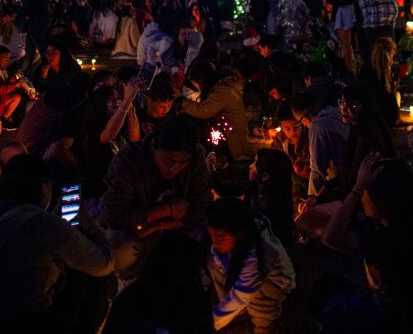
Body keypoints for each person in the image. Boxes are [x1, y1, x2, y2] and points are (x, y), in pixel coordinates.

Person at [319, 153, 413, 333]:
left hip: (401, 320)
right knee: (329, 284)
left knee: (326, 297)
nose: (362, 198)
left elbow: (330, 237)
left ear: (382, 197)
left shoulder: (390, 239)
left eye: (366, 192)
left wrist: (357, 186)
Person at [0, 155, 114, 334]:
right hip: (32, 323)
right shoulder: (43, 224)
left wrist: (55, 220)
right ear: (43, 186)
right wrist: (87, 221)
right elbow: (104, 262)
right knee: (94, 275)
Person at [101, 115, 212, 282]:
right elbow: (115, 215)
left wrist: (161, 224)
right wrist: (167, 209)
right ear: (153, 146)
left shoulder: (196, 159)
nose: (174, 168)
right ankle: (127, 282)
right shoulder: (128, 161)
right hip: (137, 231)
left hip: (177, 228)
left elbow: (202, 206)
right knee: (119, 247)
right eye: (168, 159)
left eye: (183, 162)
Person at [206, 197, 296, 333]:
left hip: (276, 282)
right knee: (213, 262)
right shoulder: (232, 239)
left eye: (220, 237)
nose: (215, 241)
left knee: (258, 302)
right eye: (212, 235)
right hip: (246, 278)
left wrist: (209, 325)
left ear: (240, 232)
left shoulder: (259, 254)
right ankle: (234, 313)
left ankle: (266, 323)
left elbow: (241, 294)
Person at [178, 61, 255, 163]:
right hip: (232, 135)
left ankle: (213, 159)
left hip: (234, 142)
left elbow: (203, 111)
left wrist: (181, 102)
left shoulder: (222, 92)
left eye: (195, 84)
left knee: (198, 123)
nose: (196, 87)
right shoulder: (222, 86)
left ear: (201, 81)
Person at [248, 148, 297, 250]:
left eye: (254, 163)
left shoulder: (272, 207)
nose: (250, 166)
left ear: (265, 176)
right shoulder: (254, 189)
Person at [360, 37, 399, 125]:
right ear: (391, 53)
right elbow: (392, 93)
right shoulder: (392, 69)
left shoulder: (365, 67)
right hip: (387, 117)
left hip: (367, 117)